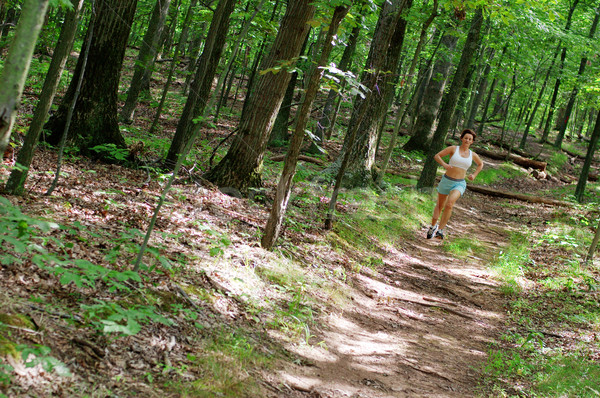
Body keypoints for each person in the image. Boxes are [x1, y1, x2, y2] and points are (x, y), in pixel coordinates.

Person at [426, 129, 483, 240]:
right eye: (466, 138)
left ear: (472, 142)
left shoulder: (473, 155)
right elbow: (437, 156)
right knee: (440, 205)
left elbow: (480, 164)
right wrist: (445, 165)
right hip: (446, 180)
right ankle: (433, 226)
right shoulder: (453, 149)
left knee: (450, 204)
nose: (467, 140)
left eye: (470, 139)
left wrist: (474, 175)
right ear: (461, 138)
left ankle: (440, 231)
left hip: (459, 183)